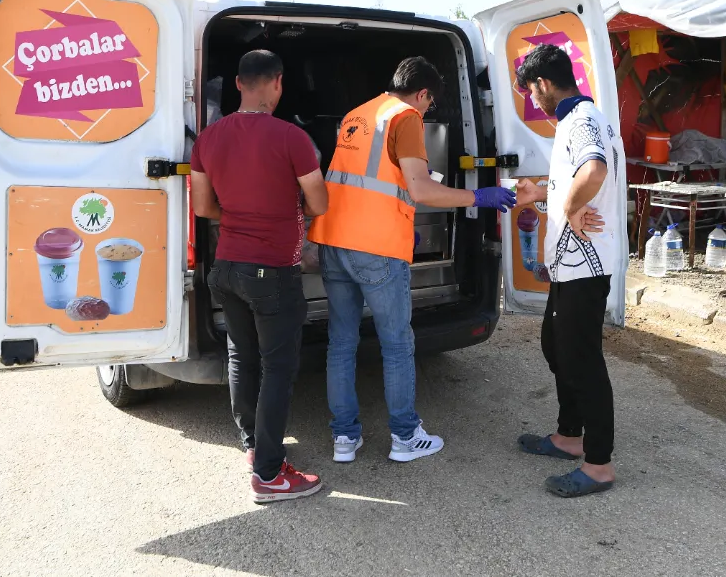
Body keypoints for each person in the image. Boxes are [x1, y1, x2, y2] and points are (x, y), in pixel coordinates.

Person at [308, 57, 517, 464]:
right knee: (398, 346)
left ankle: (345, 439)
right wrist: (479, 197)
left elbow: (370, 178)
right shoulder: (405, 118)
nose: (427, 111)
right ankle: (405, 437)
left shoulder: (359, 114)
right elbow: (420, 190)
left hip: (334, 242)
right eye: (430, 104)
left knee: (341, 344)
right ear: (422, 94)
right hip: (377, 248)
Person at [190, 50, 328, 504]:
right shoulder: (292, 137)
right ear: (278, 84)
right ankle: (269, 476)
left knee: (241, 359)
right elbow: (319, 203)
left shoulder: (207, 139)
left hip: (227, 266)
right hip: (272, 270)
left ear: (237, 83)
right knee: (278, 367)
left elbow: (204, 208)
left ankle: (254, 447)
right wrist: (287, 210)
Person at [511, 44, 624, 498]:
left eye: (531, 93)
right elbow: (576, 178)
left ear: (542, 84)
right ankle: (568, 436)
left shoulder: (580, 121)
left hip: (586, 264)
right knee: (556, 347)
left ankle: (598, 464)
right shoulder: (579, 121)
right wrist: (546, 192)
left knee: (582, 360)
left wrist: (572, 208)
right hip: (570, 266)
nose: (534, 103)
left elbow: (592, 171)